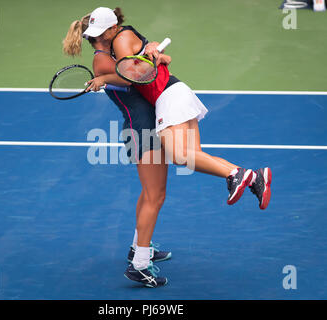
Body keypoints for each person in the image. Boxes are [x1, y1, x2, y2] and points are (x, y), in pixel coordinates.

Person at [84, 7, 272, 213]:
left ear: (113, 27)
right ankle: (255, 178)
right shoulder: (125, 38)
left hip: (167, 96)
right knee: (191, 156)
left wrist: (103, 78)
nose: (99, 38)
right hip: (177, 91)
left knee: (178, 155)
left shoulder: (120, 40)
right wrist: (156, 54)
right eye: (95, 35)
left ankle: (237, 173)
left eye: (102, 33)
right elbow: (154, 63)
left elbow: (130, 74)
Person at [63, 10, 170, 288]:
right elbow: (134, 77)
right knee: (154, 195)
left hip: (150, 124)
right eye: (94, 37)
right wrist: (106, 77)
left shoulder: (119, 44)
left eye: (99, 35)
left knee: (154, 194)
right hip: (140, 130)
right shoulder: (101, 60)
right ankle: (140, 266)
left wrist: (152, 47)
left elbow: (140, 63)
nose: (96, 42)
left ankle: (139, 248)